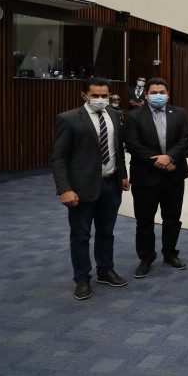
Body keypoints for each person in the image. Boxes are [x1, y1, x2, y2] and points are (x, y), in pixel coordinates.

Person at [52, 77, 130, 300]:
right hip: (81, 189)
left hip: (111, 186)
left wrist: (123, 175)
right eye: (95, 96)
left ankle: (105, 271)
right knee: (81, 235)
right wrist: (64, 189)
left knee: (106, 232)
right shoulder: (68, 119)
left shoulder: (115, 115)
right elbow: (59, 157)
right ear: (84, 96)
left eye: (104, 96)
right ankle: (82, 278)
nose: (100, 100)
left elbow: (118, 150)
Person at [124, 77, 188, 278]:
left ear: (168, 94)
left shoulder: (179, 113)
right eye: (153, 92)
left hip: (174, 174)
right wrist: (159, 160)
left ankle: (170, 254)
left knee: (172, 218)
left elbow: (186, 138)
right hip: (145, 177)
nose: (158, 95)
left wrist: (170, 157)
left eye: (162, 92)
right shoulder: (134, 116)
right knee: (144, 220)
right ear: (146, 95)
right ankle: (146, 257)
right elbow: (133, 144)